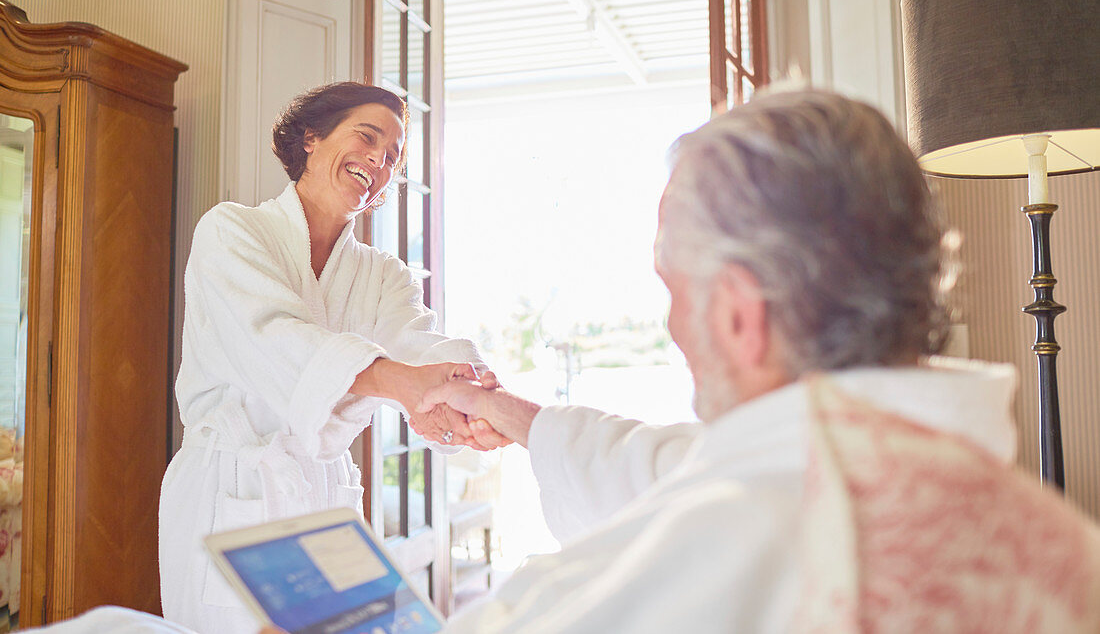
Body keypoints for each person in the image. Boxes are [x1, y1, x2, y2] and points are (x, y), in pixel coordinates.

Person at [406, 89, 1100, 632]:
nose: (673, 324)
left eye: (673, 285)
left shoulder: (735, 555)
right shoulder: (1058, 538)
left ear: (741, 315)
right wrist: (512, 414)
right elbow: (679, 467)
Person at [158, 82, 507, 634]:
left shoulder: (381, 274)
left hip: (325, 497)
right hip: (234, 491)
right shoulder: (231, 231)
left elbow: (419, 345)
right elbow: (274, 338)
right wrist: (403, 384)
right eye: (367, 137)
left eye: (392, 156)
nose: (379, 159)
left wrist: (476, 394)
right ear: (312, 139)